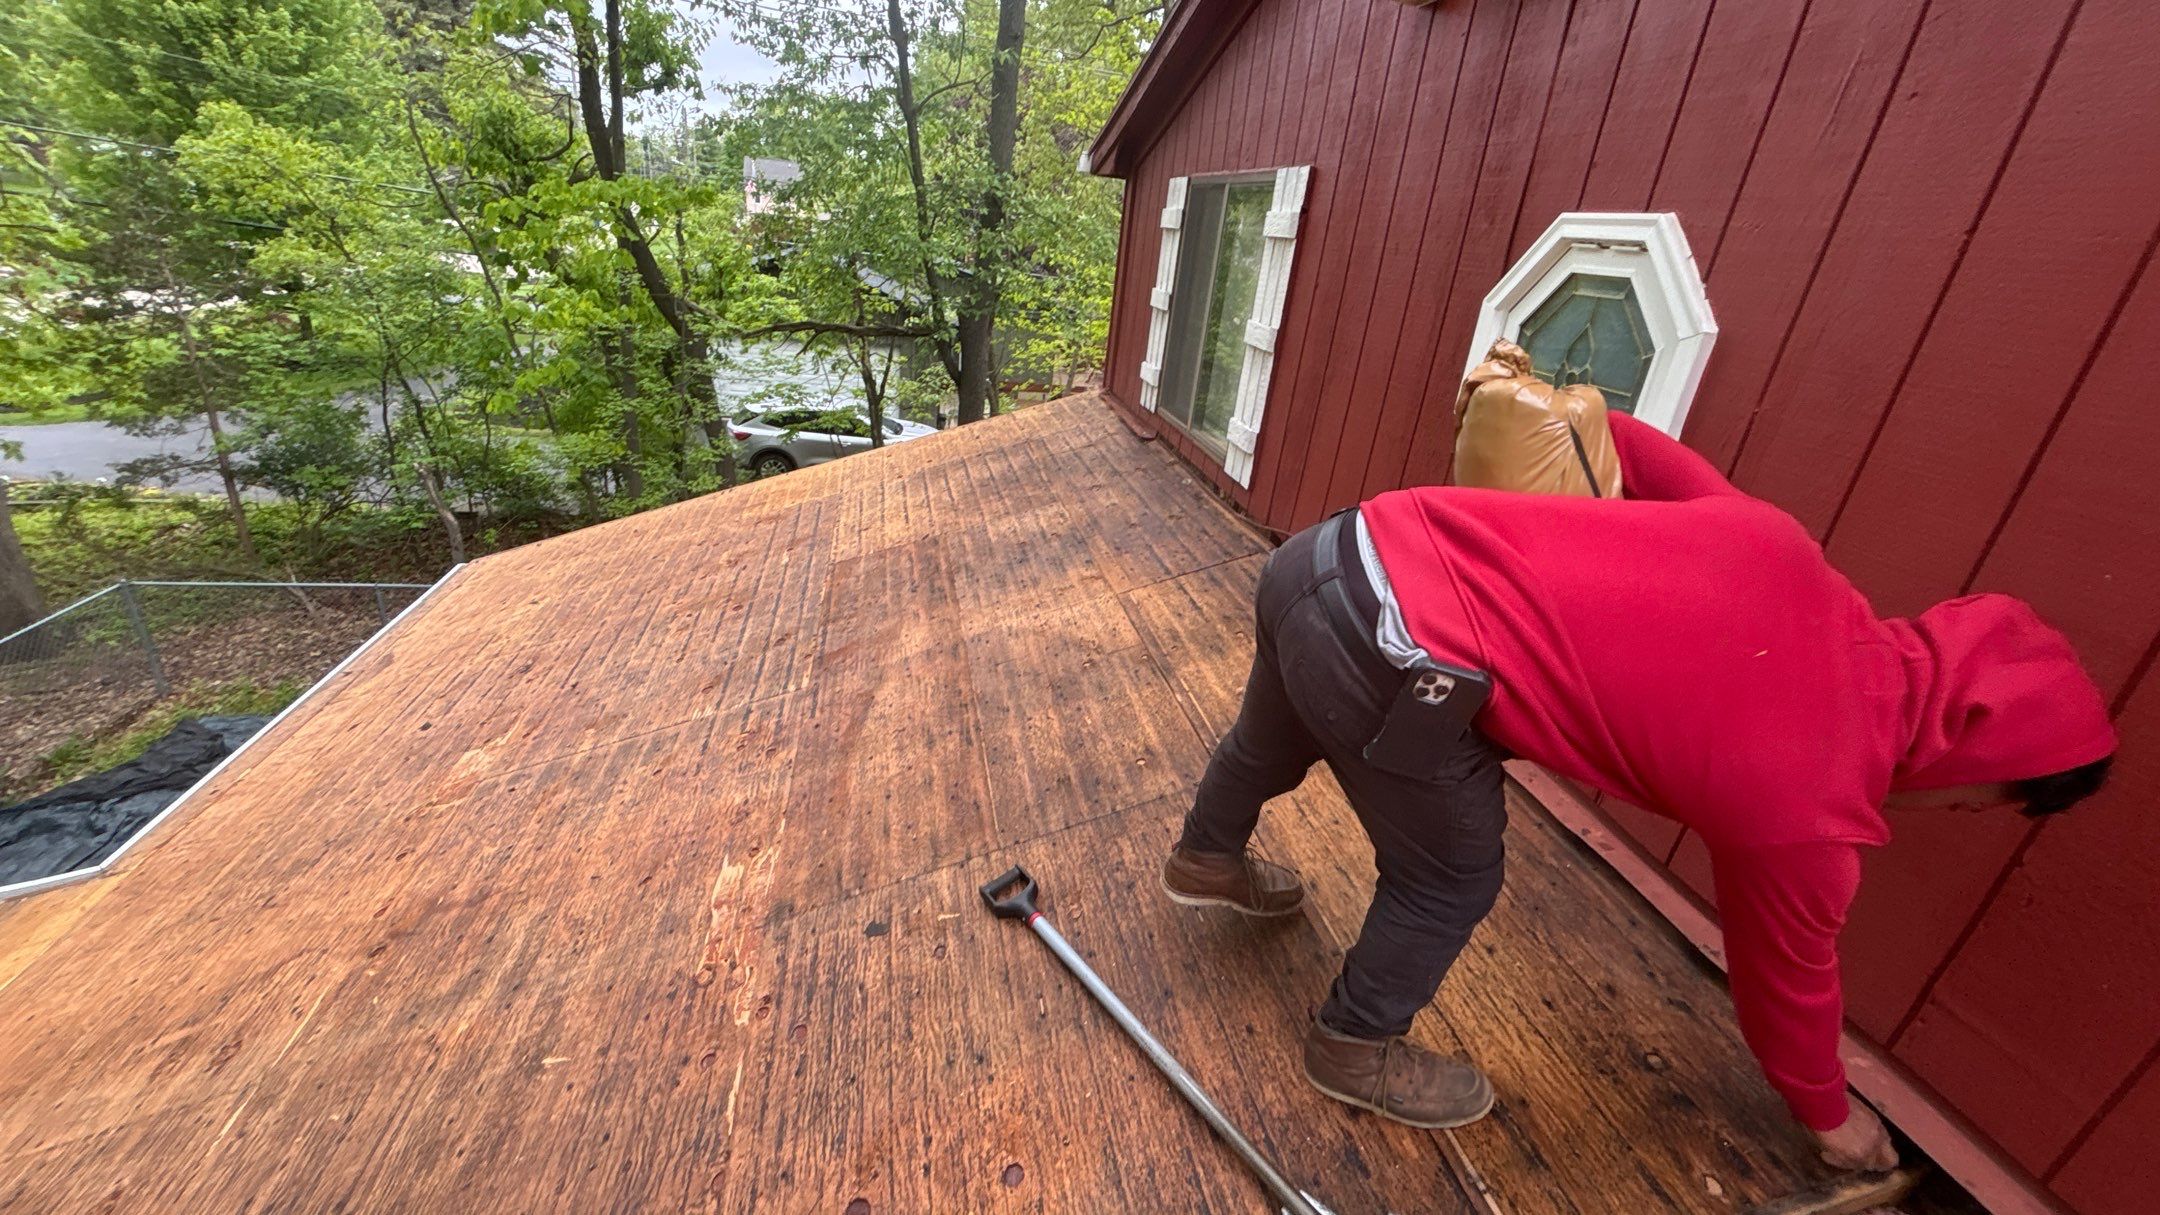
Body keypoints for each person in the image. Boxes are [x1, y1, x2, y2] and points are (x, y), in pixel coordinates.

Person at [1158, 410, 2118, 1171]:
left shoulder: (1786, 549)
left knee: (1271, 731)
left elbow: (1619, 438)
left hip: (1337, 548)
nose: (1963, 814)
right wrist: (1830, 1117)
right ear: (1977, 770)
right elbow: (1788, 978)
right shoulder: (1814, 809)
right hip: (1401, 660)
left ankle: (1207, 853)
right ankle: (1353, 1044)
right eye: (1989, 803)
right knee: (1448, 874)